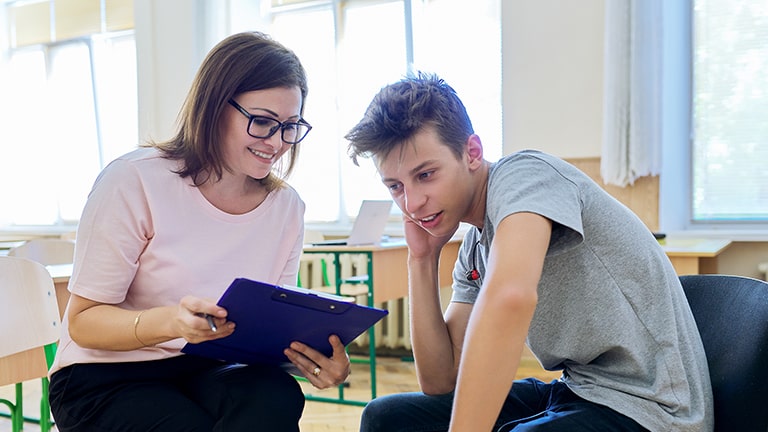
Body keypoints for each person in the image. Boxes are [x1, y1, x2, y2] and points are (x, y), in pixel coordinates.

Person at [345, 73, 713, 432]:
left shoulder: (524, 176)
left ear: (472, 152)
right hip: (579, 389)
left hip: (652, 408)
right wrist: (422, 259)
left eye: (426, 175)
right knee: (385, 418)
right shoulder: (476, 244)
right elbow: (441, 379)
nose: (412, 202)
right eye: (396, 186)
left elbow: (511, 297)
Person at [48, 31, 351, 432]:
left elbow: (266, 334)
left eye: (290, 126)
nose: (277, 142)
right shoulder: (134, 180)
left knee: (276, 394)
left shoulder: (286, 208)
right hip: (105, 375)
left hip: (207, 366)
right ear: (213, 107)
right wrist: (171, 323)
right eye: (262, 122)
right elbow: (83, 323)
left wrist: (314, 360)